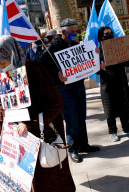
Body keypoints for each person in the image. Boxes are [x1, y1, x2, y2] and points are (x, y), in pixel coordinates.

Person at [0, 35, 76, 192]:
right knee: (27, 186)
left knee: (50, 184)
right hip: (19, 141)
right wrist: (0, 129)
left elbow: (56, 104)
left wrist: (30, 125)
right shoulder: (6, 75)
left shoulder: (34, 70)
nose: (1, 68)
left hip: (43, 138)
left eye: (3, 63)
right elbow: (3, 104)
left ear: (13, 55)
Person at [40, 18, 100, 163]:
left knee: (81, 117)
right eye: (72, 32)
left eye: (76, 31)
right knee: (72, 119)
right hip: (65, 89)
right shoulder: (53, 47)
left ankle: (84, 144)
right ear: (64, 32)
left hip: (79, 86)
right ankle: (73, 149)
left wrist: (95, 53)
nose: (75, 34)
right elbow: (41, 65)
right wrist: (57, 74)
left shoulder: (75, 44)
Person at [97, 27, 129, 142]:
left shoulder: (118, 46)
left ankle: (127, 127)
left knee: (123, 105)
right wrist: (100, 67)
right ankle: (112, 131)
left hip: (120, 81)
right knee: (110, 108)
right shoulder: (97, 51)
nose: (110, 35)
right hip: (108, 83)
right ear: (101, 36)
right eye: (107, 34)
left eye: (111, 33)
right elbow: (94, 69)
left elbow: (126, 62)